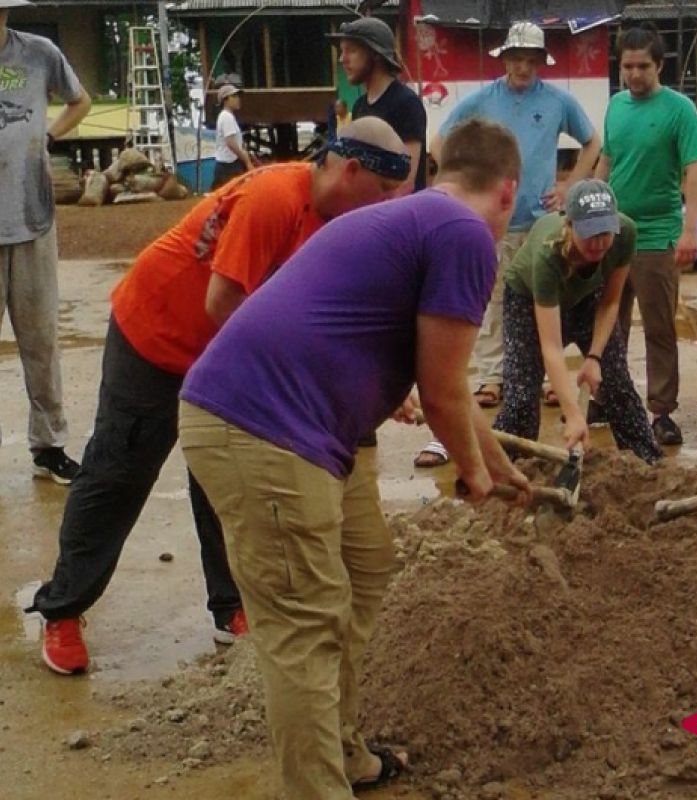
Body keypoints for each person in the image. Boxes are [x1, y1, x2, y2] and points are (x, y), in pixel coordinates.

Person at [179, 119, 530, 800]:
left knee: (365, 564)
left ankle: (341, 751)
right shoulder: (464, 235)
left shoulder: (420, 217)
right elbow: (441, 393)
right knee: (305, 625)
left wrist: (501, 466)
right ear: (509, 192)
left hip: (285, 425)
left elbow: (452, 387)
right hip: (264, 429)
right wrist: (479, 480)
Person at [28, 119, 410, 676]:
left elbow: (329, 320)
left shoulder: (336, 222)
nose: (380, 209)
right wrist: (288, 376)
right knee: (119, 472)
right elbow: (223, 301)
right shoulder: (276, 196)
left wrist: (377, 384)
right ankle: (62, 609)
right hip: (158, 335)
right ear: (350, 170)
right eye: (379, 193)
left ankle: (229, 607)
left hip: (226, 350)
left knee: (228, 474)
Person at [415, 20, 600, 468]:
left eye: (529, 59)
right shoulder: (483, 101)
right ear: (505, 60)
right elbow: (439, 142)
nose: (521, 66)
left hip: (540, 221)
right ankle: (492, 375)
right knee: (492, 298)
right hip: (492, 219)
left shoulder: (557, 103)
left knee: (541, 299)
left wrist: (571, 185)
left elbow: (593, 140)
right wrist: (466, 188)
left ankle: (542, 378)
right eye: (515, 58)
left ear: (540, 62)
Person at [493, 179, 662, 464]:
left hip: (587, 298)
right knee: (521, 394)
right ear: (568, 226)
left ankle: (646, 463)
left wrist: (594, 357)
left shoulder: (626, 233)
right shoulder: (549, 255)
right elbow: (552, 348)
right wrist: (573, 414)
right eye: (589, 234)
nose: (598, 243)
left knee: (616, 380)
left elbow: (610, 303)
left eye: (604, 233)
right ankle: (503, 469)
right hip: (526, 299)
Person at [597, 22, 697, 446]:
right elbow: (607, 161)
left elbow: (694, 170)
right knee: (609, 322)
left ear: (659, 65)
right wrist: (588, 205)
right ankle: (608, 397)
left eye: (643, 65)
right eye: (628, 66)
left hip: (658, 234)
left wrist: (690, 228)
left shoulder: (680, 110)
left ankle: (661, 410)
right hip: (610, 235)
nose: (635, 74)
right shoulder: (615, 107)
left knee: (659, 327)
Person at [0, 0, 90, 484]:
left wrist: (49, 137)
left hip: (31, 218)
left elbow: (80, 99)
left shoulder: (39, 54)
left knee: (40, 340)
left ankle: (49, 446)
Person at [330, 16, 426, 193]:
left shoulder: (405, 103)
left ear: (375, 54)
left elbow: (406, 182)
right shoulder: (359, 106)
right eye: (342, 52)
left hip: (400, 215)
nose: (342, 59)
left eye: (351, 51)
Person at [211, 83, 254, 190]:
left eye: (237, 96)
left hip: (227, 164)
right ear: (225, 100)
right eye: (233, 96)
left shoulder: (227, 116)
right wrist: (246, 160)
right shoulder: (226, 117)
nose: (237, 99)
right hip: (228, 166)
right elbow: (231, 143)